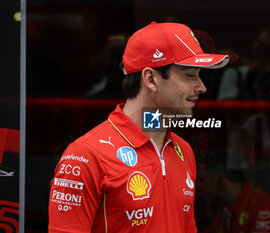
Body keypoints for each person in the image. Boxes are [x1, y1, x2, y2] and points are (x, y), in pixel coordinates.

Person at [48, 21, 233, 233]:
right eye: (190, 75)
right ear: (151, 79)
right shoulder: (85, 156)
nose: (201, 87)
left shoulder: (183, 151)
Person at [201, 156, 270, 233]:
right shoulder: (225, 207)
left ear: (220, 180)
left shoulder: (264, 207)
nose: (198, 186)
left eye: (202, 180)